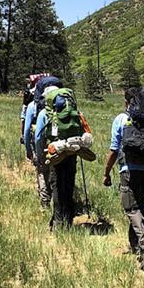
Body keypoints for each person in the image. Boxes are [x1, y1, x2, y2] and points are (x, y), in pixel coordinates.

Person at [104, 88, 144, 271]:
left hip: (129, 170)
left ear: (126, 101)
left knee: (131, 208)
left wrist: (106, 172)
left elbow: (114, 149)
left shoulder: (121, 119)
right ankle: (138, 248)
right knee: (140, 206)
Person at [31, 82, 83, 228]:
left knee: (57, 185)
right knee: (69, 183)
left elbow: (39, 137)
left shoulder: (45, 114)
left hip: (55, 153)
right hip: (71, 151)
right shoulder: (73, 111)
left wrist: (40, 155)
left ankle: (59, 221)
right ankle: (69, 218)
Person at [22, 76, 61, 207]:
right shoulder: (64, 107)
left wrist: (29, 150)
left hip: (44, 146)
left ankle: (45, 204)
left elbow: (28, 131)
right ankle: (60, 202)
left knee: (42, 172)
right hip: (63, 146)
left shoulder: (34, 106)